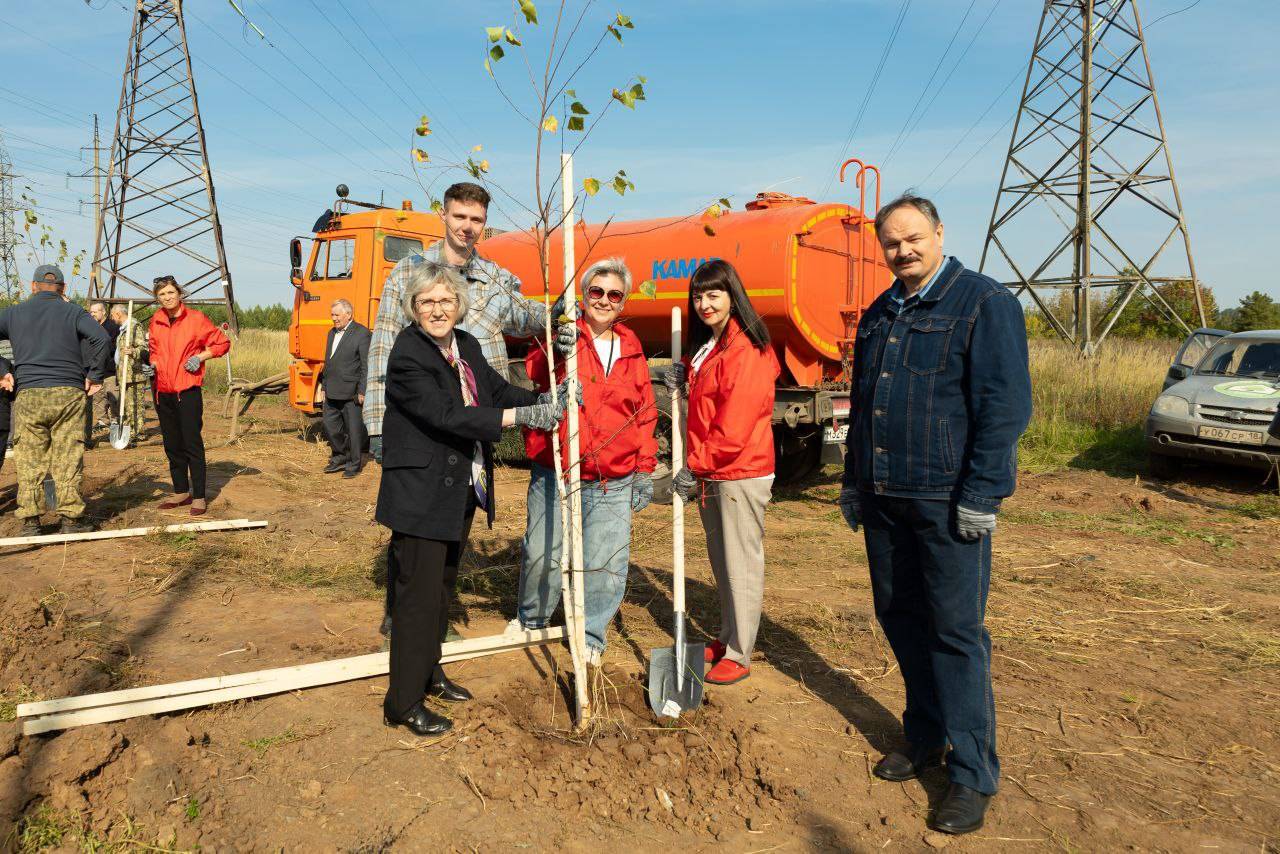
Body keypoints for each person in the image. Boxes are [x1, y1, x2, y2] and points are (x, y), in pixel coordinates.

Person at [838, 195, 1031, 836]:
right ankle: (924, 735)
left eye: (914, 238)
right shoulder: (879, 314)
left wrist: (983, 493)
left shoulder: (983, 303)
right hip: (884, 496)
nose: (904, 251)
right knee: (901, 618)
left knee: (955, 633)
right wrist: (853, 483)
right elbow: (863, 404)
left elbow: (1004, 406)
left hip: (945, 500)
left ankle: (972, 773)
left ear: (940, 233)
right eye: (892, 243)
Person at [364, 181, 573, 636]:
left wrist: (560, 314)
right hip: (423, 428)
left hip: (476, 426)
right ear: (443, 215)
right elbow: (382, 347)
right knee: (414, 533)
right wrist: (378, 428)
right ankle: (401, 622)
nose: (467, 226)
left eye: (476, 219)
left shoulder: (494, 278)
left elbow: (526, 316)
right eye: (460, 216)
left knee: (455, 528)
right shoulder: (409, 272)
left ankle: (434, 620)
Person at [375, 261, 567, 736]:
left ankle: (429, 673)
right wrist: (522, 420)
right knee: (417, 599)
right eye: (427, 302)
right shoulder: (408, 353)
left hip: (457, 488)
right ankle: (402, 702)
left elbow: (495, 390)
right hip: (420, 495)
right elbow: (447, 415)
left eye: (446, 300)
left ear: (459, 304)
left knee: (441, 591)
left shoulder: (467, 345)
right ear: (413, 308)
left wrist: (543, 399)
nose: (438, 309)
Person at [514, 257, 659, 668]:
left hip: (613, 477)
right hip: (558, 468)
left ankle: (591, 635)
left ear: (623, 302)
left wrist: (644, 469)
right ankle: (532, 621)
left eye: (614, 294)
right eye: (597, 291)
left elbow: (644, 412)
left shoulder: (631, 347)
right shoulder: (564, 333)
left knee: (604, 564)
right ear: (584, 295)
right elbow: (535, 371)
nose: (604, 300)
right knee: (543, 553)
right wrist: (556, 348)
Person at [665, 259, 780, 686]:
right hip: (714, 471)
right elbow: (706, 401)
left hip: (738, 472)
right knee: (722, 561)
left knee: (741, 564)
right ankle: (729, 635)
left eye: (713, 294)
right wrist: (684, 376)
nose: (704, 304)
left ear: (733, 296)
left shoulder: (746, 350)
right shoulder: (711, 345)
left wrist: (693, 466)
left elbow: (734, 428)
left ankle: (740, 653)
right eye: (698, 296)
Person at [0, 264, 110, 535]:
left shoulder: (13, 313)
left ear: (33, 286)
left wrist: (3, 371)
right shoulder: (74, 312)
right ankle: (71, 520)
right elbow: (102, 338)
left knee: (29, 457)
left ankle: (30, 522)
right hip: (68, 393)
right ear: (62, 288)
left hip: (29, 394)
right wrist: (95, 375)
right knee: (68, 455)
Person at [143, 276, 230, 516]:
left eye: (171, 293)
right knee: (172, 444)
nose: (167, 298)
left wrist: (200, 357)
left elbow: (222, 343)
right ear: (157, 298)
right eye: (162, 295)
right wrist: (152, 366)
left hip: (187, 391)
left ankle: (199, 496)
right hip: (162, 392)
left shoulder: (196, 319)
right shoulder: (156, 320)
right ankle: (181, 491)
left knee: (191, 443)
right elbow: (154, 351)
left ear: (179, 293)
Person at [319, 299, 371, 478]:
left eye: (337, 315)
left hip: (352, 392)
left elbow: (366, 365)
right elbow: (328, 362)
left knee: (354, 431)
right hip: (331, 390)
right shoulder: (331, 333)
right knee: (331, 427)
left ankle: (354, 464)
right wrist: (324, 386)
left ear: (348, 314)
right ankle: (340, 457)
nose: (333, 318)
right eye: (332, 315)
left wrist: (362, 390)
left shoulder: (362, 333)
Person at [114, 305, 148, 445]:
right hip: (124, 374)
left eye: (113, 316)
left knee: (136, 405)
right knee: (127, 406)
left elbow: (143, 348)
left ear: (118, 314)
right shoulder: (123, 329)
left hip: (134, 374)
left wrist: (133, 351)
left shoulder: (134, 327)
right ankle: (130, 431)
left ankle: (138, 433)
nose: (112, 319)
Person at [86, 302, 121, 439]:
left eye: (95, 312)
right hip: (96, 371)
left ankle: (116, 422)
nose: (92, 314)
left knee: (113, 397)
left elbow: (115, 348)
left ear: (103, 312)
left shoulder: (113, 327)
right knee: (98, 399)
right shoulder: (90, 328)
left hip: (110, 370)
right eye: (91, 312)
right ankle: (102, 423)